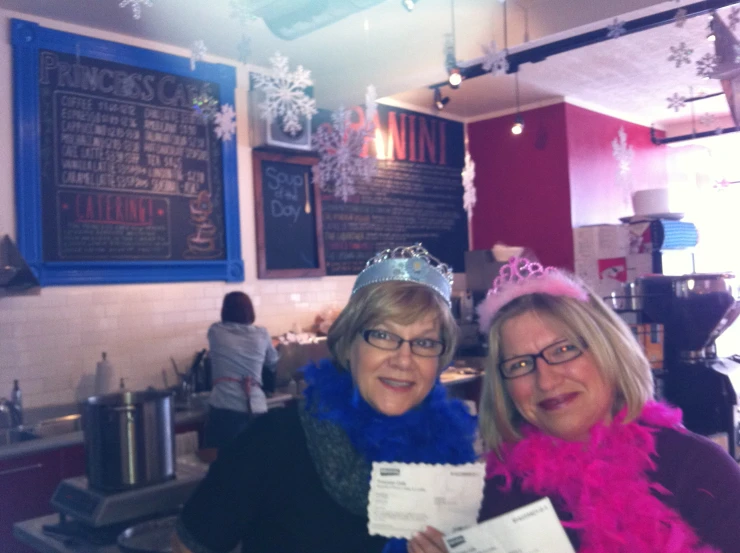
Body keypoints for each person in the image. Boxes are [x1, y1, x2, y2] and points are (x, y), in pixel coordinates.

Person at [409, 257, 740, 553]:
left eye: (563, 350)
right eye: (520, 365)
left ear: (607, 350)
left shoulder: (699, 471)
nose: (546, 380)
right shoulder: (495, 492)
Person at [174, 244, 478, 553]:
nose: (403, 359)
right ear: (348, 346)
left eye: (424, 342)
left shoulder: (451, 459)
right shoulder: (272, 442)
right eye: (383, 335)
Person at [203, 291, 279, 450]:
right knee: (256, 464)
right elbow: (273, 361)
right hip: (256, 406)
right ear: (250, 311)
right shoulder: (262, 334)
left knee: (223, 465)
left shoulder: (215, 332)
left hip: (224, 407)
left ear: (224, 311)